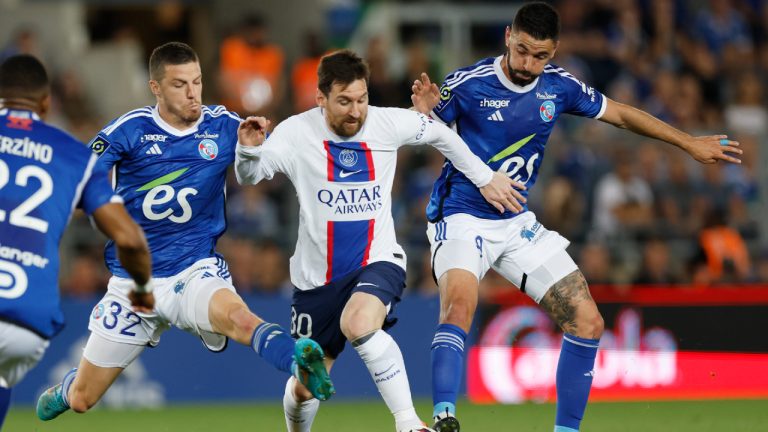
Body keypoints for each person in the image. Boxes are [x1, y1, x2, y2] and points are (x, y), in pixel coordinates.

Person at [410, 3, 743, 431]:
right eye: (523, 50)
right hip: (460, 215)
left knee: (588, 321)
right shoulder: (469, 84)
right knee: (459, 306)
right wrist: (423, 114)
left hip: (514, 221)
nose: (529, 64)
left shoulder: (558, 87)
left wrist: (687, 142)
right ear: (507, 36)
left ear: (555, 51)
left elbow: (621, 113)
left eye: (541, 56)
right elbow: (425, 131)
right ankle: (444, 420)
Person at [36, 42, 334, 422]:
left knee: (239, 318)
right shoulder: (131, 130)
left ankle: (297, 360)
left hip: (193, 270)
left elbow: (266, 162)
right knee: (82, 399)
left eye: (197, 82)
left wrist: (251, 149)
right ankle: (68, 388)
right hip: (133, 284)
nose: (193, 93)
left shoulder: (224, 126)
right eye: (179, 85)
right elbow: (79, 170)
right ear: (156, 88)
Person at [235, 49, 524, 432]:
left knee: (359, 321)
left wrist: (485, 178)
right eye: (344, 102)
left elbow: (442, 136)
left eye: (362, 99)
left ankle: (408, 424)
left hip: (378, 259)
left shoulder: (386, 123)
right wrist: (248, 149)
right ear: (320, 98)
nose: (356, 111)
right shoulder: (295, 133)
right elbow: (250, 176)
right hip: (316, 280)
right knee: (306, 387)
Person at [0, 54, 152, 428]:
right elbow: (130, 240)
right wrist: (143, 288)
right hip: (28, 317)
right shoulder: (74, 156)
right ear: (47, 103)